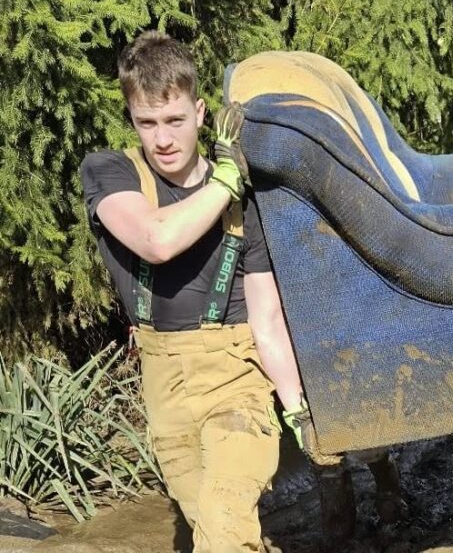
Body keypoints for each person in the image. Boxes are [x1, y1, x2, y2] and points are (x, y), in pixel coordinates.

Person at [79, 31, 328, 551]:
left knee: (224, 528)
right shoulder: (111, 172)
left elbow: (267, 319)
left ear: (199, 112)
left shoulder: (243, 198)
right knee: (211, 528)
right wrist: (227, 182)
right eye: (147, 123)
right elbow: (155, 240)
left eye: (174, 120)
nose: (162, 139)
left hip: (237, 376)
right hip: (164, 383)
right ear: (132, 119)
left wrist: (298, 407)